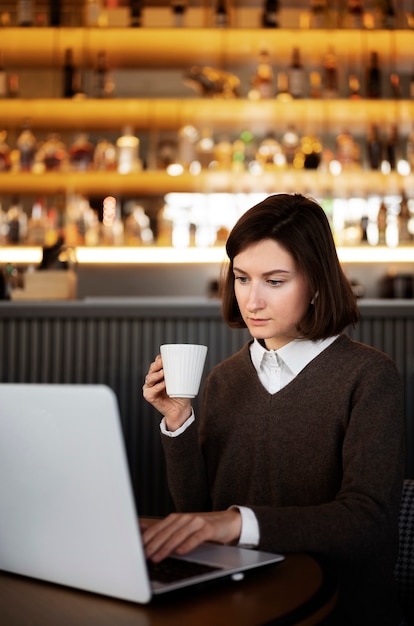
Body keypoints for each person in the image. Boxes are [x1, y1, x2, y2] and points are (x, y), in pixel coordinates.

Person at [142, 193, 405, 625]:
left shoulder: (370, 376)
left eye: (275, 281)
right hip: (237, 602)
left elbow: (367, 521)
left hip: (336, 608)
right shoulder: (225, 379)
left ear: (317, 282)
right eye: (242, 279)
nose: (252, 301)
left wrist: (236, 523)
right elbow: (199, 511)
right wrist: (178, 422)